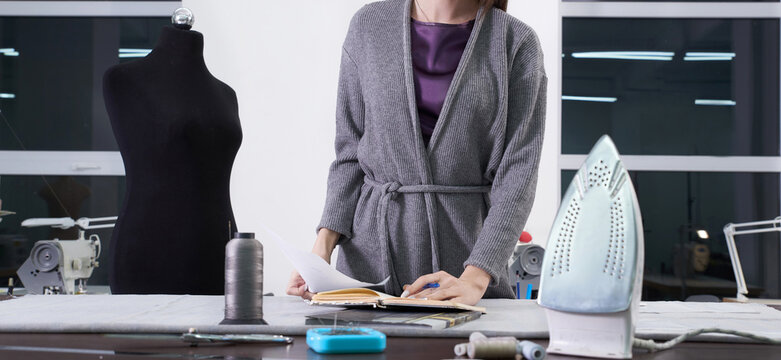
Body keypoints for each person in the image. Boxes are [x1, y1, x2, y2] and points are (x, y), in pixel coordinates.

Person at [288, 0, 546, 306]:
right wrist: (322, 248)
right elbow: (349, 153)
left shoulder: (516, 43)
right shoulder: (368, 26)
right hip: (367, 268)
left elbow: (518, 177)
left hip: (465, 271)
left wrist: (476, 277)